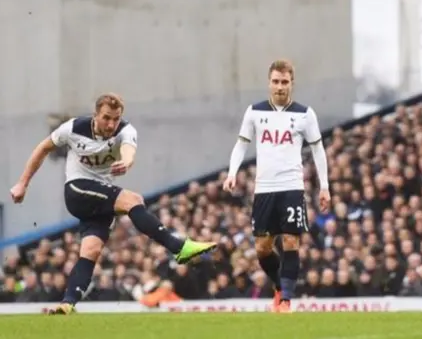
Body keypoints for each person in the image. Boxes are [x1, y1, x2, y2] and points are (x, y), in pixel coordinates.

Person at [9, 93, 217, 314]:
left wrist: (126, 162)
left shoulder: (126, 131)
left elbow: (129, 151)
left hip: (101, 199)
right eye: (106, 118)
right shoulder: (73, 128)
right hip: (78, 190)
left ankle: (67, 303)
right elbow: (42, 149)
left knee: (91, 250)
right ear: (96, 114)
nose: (111, 124)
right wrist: (22, 184)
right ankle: (178, 247)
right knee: (134, 200)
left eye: (115, 119)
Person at [223, 60, 330, 313]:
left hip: (292, 186)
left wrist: (324, 186)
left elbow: (318, 149)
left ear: (292, 83)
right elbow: (241, 144)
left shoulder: (305, 114)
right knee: (262, 248)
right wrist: (232, 173)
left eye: (284, 82)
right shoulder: (255, 112)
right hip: (264, 188)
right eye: (276, 81)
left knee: (291, 241)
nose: (280, 86)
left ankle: (286, 300)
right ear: (269, 82)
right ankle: (280, 286)